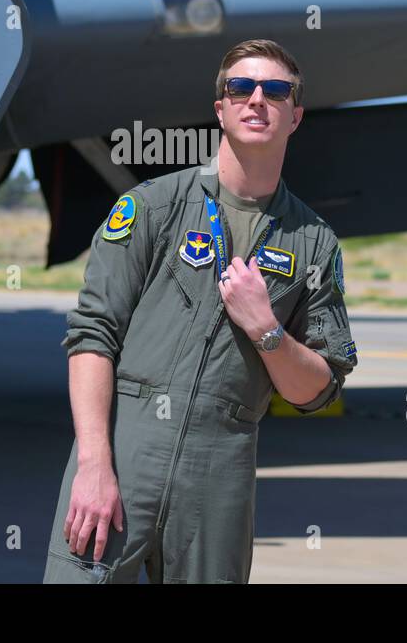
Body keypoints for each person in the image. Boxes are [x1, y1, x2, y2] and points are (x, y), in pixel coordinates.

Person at [42, 39, 358, 583]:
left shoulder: (313, 242)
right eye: (241, 87)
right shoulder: (150, 208)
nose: (257, 99)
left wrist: (267, 330)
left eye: (275, 91)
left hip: (220, 471)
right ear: (220, 108)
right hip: (123, 452)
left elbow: (318, 388)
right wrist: (94, 464)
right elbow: (93, 337)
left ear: (295, 116)